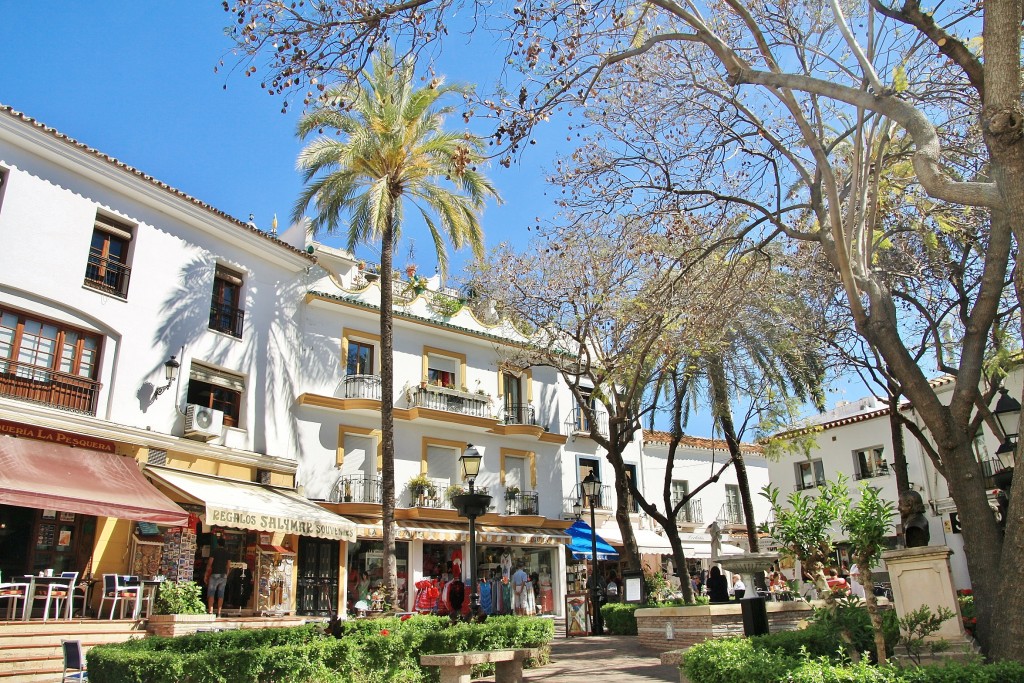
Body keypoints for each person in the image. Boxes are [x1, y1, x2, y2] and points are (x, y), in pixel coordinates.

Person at [204, 536, 230, 617]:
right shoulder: (227, 553)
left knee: (211, 592)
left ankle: (211, 611)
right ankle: (219, 612)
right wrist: (227, 574)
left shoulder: (214, 551)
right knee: (221, 594)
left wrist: (206, 574)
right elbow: (228, 565)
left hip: (215, 574)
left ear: (218, 544)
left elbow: (209, 563)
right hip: (223, 575)